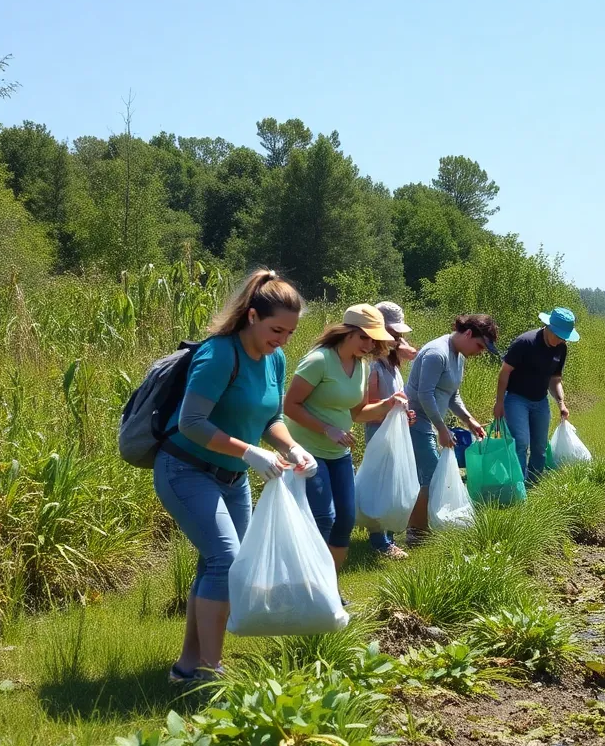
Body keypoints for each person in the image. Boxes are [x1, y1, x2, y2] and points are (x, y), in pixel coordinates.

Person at [154, 269, 314, 684]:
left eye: (291, 333)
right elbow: (191, 423)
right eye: (277, 329)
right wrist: (249, 451)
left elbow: (271, 417)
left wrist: (291, 448)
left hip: (233, 477)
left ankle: (187, 668)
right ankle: (210, 672)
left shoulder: (274, 358)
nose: (283, 340)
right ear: (252, 317)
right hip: (185, 470)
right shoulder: (219, 354)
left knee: (224, 564)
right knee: (225, 562)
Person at [283, 303, 413, 568]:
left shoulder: (362, 366)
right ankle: (310, 581)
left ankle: (330, 586)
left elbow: (358, 412)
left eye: (373, 338)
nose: (368, 344)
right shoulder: (319, 360)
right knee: (324, 518)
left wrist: (389, 403)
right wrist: (327, 428)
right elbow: (289, 406)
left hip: (339, 453)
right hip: (307, 450)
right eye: (363, 336)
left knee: (345, 519)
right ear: (347, 332)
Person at [404, 314, 499, 535]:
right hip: (416, 419)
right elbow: (424, 394)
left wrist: (469, 420)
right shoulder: (437, 354)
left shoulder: (459, 356)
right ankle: (416, 532)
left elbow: (452, 395)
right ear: (468, 333)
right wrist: (441, 428)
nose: (479, 352)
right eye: (479, 345)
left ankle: (422, 526)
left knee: (430, 473)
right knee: (431, 473)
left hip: (431, 421)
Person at [493, 307, 578, 483]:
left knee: (540, 446)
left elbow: (555, 379)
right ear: (548, 327)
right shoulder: (525, 342)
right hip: (517, 399)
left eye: (564, 337)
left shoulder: (561, 348)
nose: (561, 340)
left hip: (540, 400)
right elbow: (504, 372)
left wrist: (561, 403)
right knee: (521, 442)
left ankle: (534, 482)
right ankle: (518, 484)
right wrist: (499, 402)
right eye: (559, 336)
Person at [363, 300, 420, 556]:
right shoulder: (374, 367)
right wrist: (393, 412)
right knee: (380, 485)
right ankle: (380, 540)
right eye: (393, 335)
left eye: (398, 335)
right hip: (380, 434)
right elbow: (370, 408)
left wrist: (404, 414)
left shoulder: (392, 365)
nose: (397, 339)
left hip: (396, 432)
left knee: (393, 484)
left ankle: (388, 536)